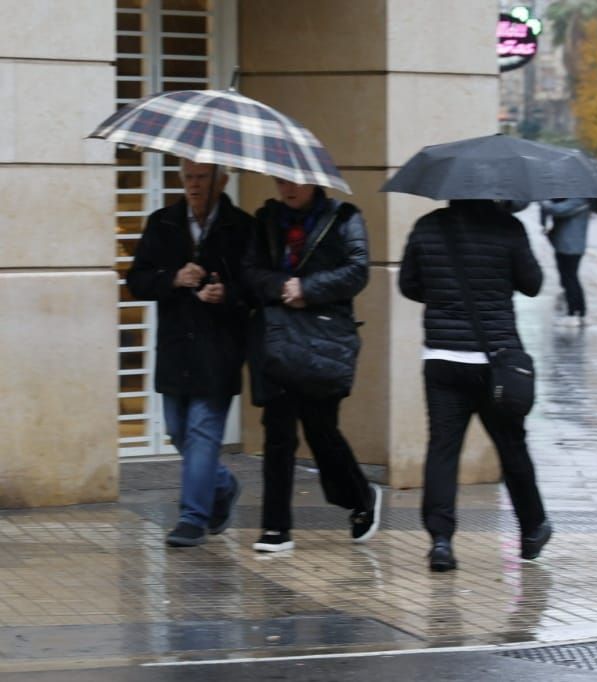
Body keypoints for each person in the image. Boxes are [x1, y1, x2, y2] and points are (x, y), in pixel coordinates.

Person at [398, 199, 551, 572]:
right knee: (511, 446)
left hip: (442, 359)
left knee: (443, 449)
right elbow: (532, 285)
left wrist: (443, 296)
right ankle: (532, 530)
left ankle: (440, 541)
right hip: (494, 362)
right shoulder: (507, 227)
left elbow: (409, 284)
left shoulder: (426, 226)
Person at [243, 179, 380, 553]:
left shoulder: (344, 217)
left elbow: (357, 271)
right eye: (281, 181)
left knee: (322, 431)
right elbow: (250, 270)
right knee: (277, 432)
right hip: (277, 337)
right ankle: (275, 527)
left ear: (315, 183)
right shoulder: (267, 219)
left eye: (295, 183)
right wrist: (282, 285)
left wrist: (309, 288)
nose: (287, 188)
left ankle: (362, 496)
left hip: (323, 337)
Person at [126, 160, 252, 548]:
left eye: (202, 178)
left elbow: (256, 286)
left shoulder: (243, 227)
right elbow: (137, 280)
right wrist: (174, 278)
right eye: (188, 178)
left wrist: (226, 294)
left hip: (219, 349)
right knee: (179, 431)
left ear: (222, 180)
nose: (194, 186)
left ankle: (192, 518)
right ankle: (223, 483)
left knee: (201, 432)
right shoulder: (162, 222)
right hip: (176, 348)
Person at [539, 197, 591, 326]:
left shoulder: (579, 199)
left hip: (571, 246)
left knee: (570, 278)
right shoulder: (571, 198)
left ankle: (574, 312)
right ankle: (579, 311)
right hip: (564, 244)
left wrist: (544, 202)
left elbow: (559, 210)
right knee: (568, 278)